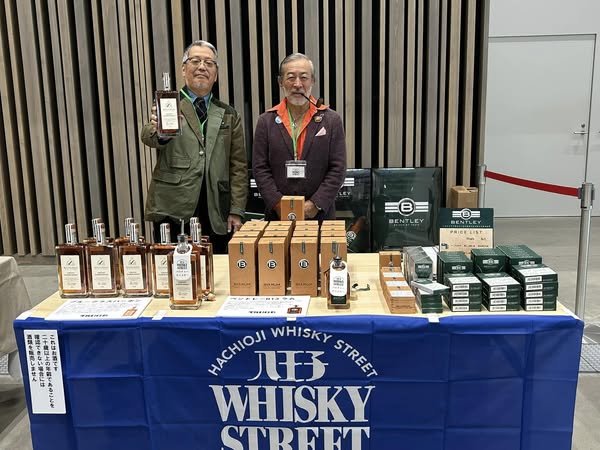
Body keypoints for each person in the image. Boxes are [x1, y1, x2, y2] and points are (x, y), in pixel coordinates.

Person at [141, 40, 248, 253]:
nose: (202, 67)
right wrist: (161, 132)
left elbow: (238, 166)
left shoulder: (229, 114)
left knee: (215, 266)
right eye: (195, 61)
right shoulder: (168, 104)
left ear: (215, 74)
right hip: (173, 205)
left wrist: (237, 209)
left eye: (209, 63)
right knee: (173, 266)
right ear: (183, 69)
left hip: (216, 207)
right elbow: (147, 136)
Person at [252, 53, 346, 221]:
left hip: (320, 216)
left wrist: (315, 204)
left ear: (313, 81)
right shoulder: (266, 121)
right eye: (290, 78)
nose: (297, 84)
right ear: (280, 82)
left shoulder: (331, 120)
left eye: (304, 77)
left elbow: (338, 168)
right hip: (277, 216)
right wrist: (278, 204)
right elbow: (260, 168)